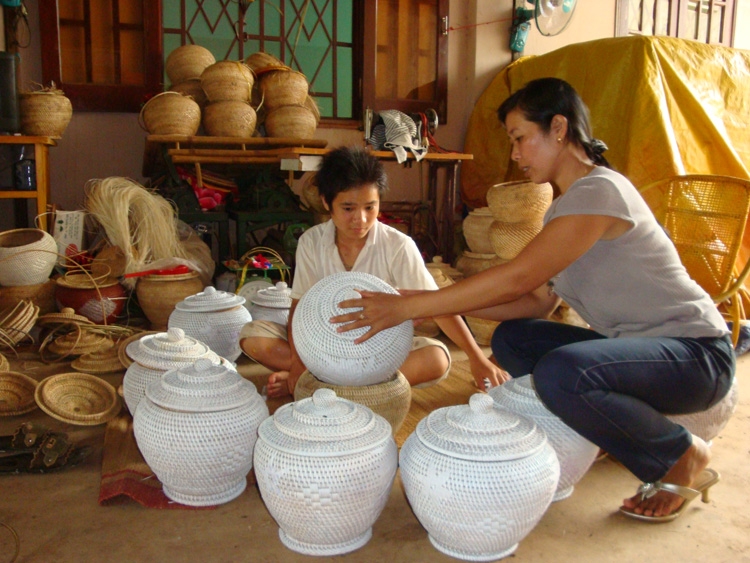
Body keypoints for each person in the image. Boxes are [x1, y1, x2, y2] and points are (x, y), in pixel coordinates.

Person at [332, 77, 735, 522]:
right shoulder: (564, 210)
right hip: (642, 355)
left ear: (558, 128)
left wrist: (409, 307)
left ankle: (681, 455)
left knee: (563, 373)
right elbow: (534, 301)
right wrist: (429, 299)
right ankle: (605, 425)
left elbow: (517, 277)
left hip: (697, 356)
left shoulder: (602, 190)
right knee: (513, 341)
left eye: (520, 138)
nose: (515, 154)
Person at [239, 145, 504, 398]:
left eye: (370, 207)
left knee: (437, 358)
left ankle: (321, 386)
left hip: (380, 351)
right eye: (348, 208)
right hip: (322, 346)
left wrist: (476, 357)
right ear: (326, 202)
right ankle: (350, 387)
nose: (361, 219)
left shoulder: (398, 245)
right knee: (253, 336)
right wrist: (298, 361)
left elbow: (437, 306)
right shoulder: (311, 241)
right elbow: (298, 306)